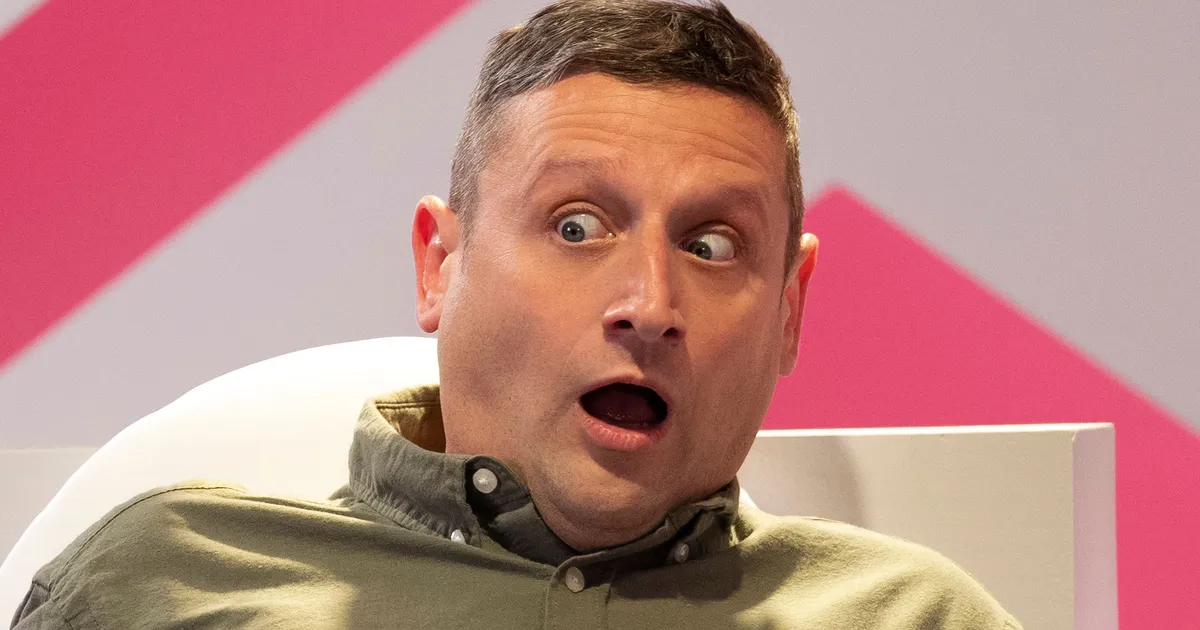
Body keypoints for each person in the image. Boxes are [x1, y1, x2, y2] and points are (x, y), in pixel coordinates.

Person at [11, 1, 1021, 628]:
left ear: (790, 310)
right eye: (577, 227)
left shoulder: (918, 620)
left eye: (712, 245)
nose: (649, 305)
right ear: (439, 264)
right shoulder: (165, 584)